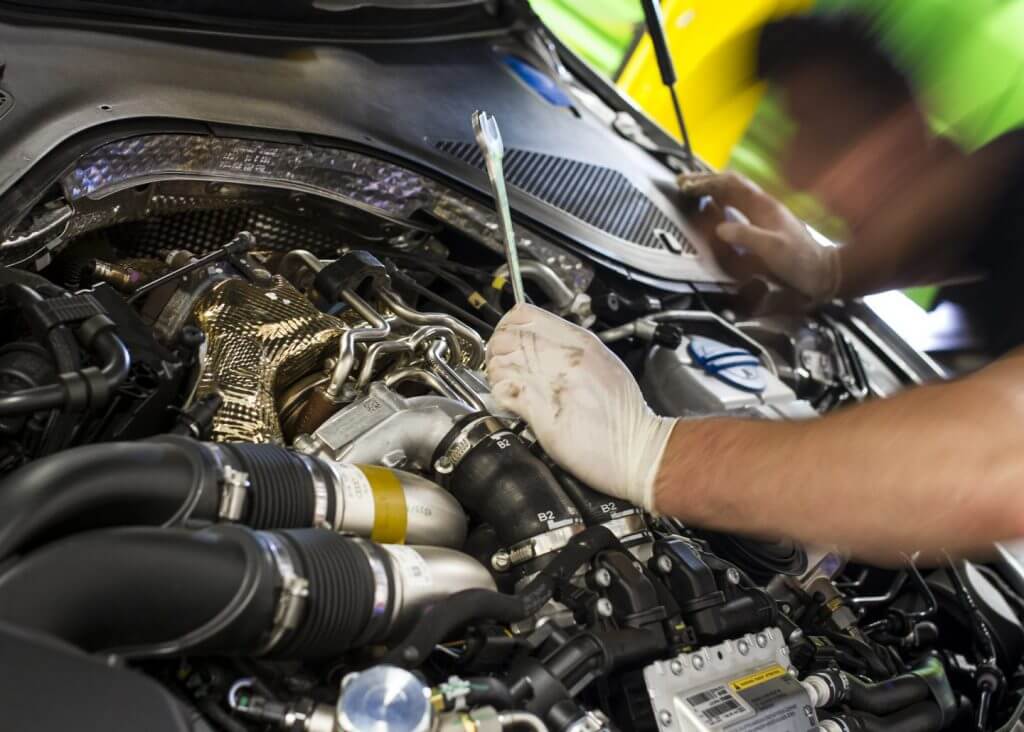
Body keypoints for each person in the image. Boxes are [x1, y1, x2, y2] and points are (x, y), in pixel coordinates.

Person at [485, 14, 1024, 563]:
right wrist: (832, 271)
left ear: (907, 129)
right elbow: (983, 204)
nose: (795, 171)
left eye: (823, 134)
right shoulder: (1007, 183)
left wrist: (650, 452)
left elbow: (998, 465)